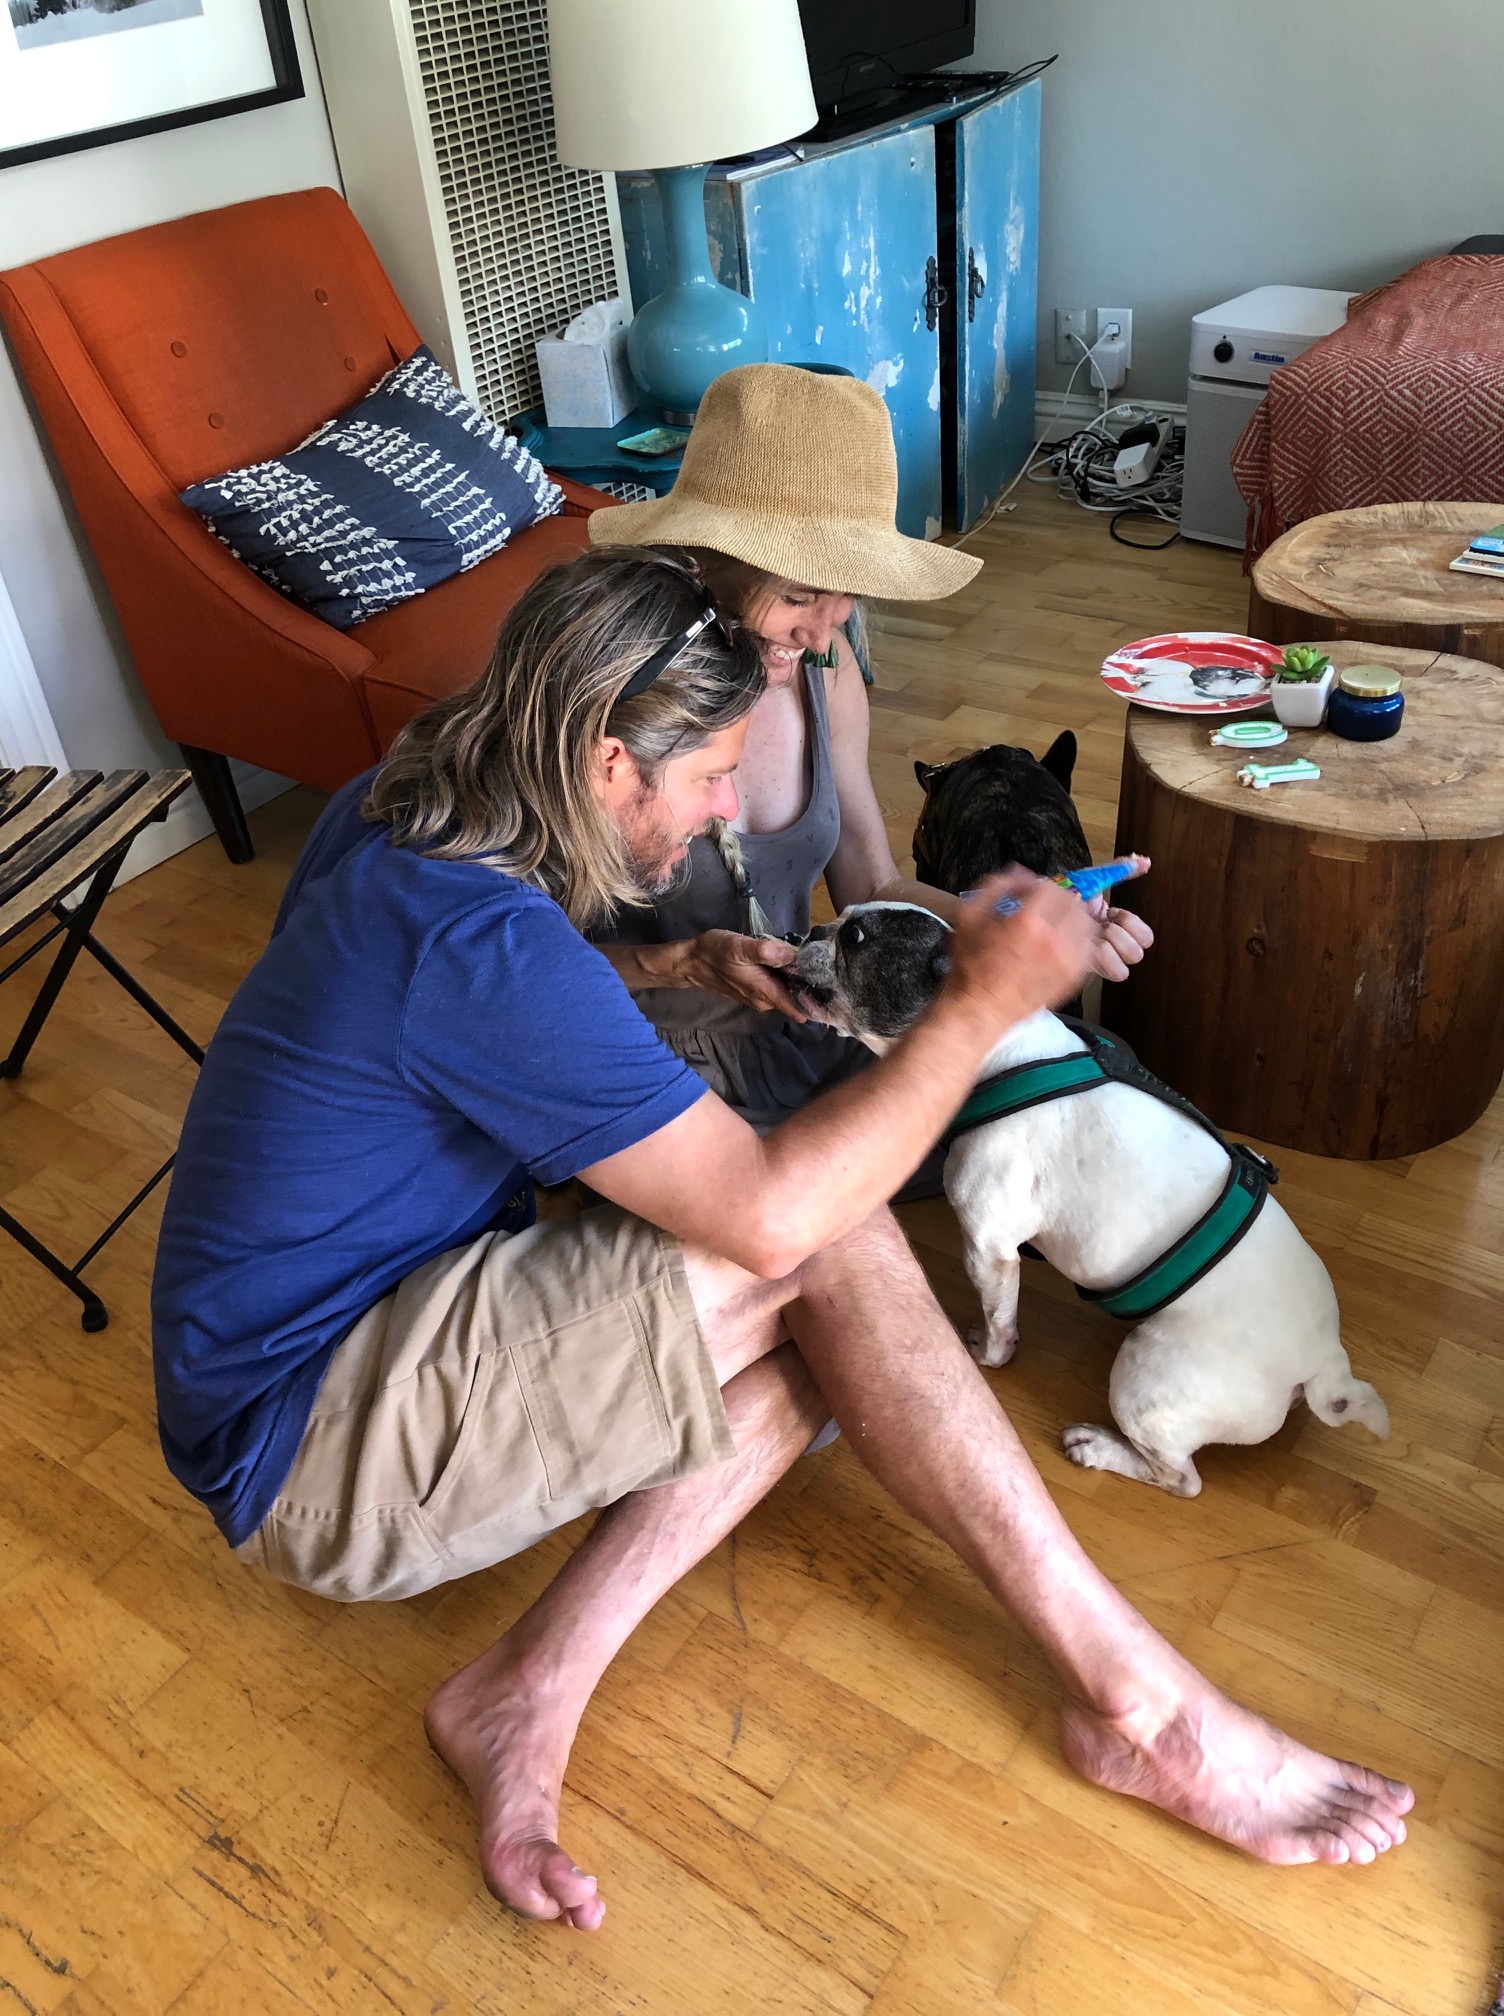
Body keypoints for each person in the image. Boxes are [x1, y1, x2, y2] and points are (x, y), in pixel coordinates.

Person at [152, 546, 1412, 1936]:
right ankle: (1145, 1706)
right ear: (606, 758)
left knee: (850, 1342)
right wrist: (977, 1010)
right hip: (310, 1443)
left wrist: (674, 960)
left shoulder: (415, 796)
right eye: (708, 780)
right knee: (818, 1243)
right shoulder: (476, 941)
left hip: (379, 1308)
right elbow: (773, 1214)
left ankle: (527, 1687)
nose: (717, 820)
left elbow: (476, 1008)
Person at [587, 363, 1154, 1129]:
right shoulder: (619, 700)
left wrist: (1016, 928)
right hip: (644, 1061)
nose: (823, 634)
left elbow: (872, 882)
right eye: (796, 595)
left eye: (845, 595)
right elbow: (525, 969)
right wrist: (683, 965)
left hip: (805, 1019)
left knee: (1071, 1094)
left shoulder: (824, 669)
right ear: (700, 560)